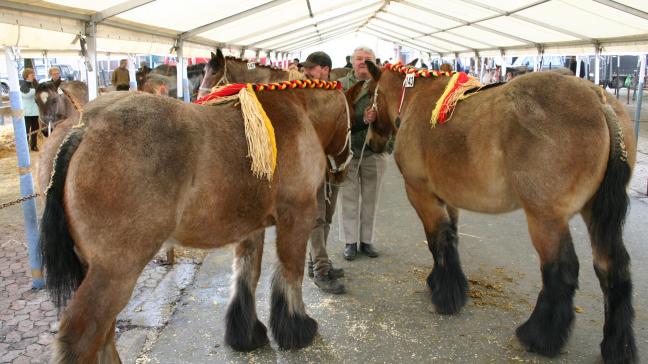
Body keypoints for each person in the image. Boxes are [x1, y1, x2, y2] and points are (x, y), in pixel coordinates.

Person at [337, 46, 389, 261]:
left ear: (375, 63)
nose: (363, 62)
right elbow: (337, 118)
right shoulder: (340, 86)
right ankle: (350, 242)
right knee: (348, 199)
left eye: (368, 59)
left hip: (373, 152)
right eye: (359, 59)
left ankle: (367, 241)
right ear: (352, 61)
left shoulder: (384, 86)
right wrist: (362, 120)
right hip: (348, 151)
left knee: (371, 199)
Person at [301, 51, 346, 294]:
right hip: (311, 165)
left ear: (326, 69)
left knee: (327, 216)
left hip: (335, 164)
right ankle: (321, 269)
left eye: (312, 68)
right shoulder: (303, 93)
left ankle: (316, 262)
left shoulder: (336, 94)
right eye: (306, 68)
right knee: (316, 217)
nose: (307, 72)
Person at [20, 68, 40, 151]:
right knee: (26, 130)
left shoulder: (34, 83)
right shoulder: (23, 84)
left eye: (33, 75)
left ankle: (33, 145)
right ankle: (25, 146)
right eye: (32, 75)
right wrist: (36, 91)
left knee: (35, 128)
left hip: (35, 111)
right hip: (26, 112)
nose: (33, 76)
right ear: (26, 76)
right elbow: (26, 94)